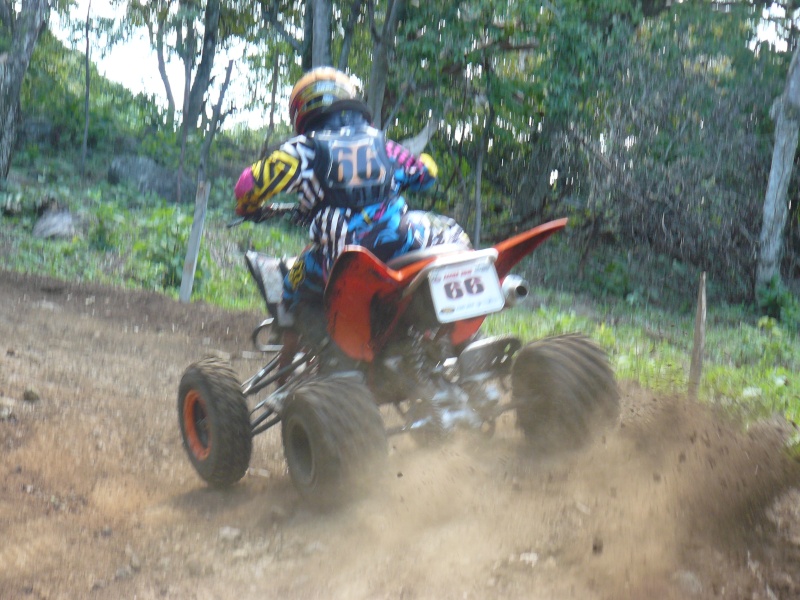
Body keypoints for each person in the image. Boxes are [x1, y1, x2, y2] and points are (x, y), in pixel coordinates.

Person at [234, 66, 470, 336]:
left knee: (291, 282)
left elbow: (247, 185)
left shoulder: (302, 150)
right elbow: (425, 173)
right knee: (451, 233)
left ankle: (296, 359)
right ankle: (459, 333)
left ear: (302, 110)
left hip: (345, 258)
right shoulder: (383, 144)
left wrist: (248, 207)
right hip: (404, 242)